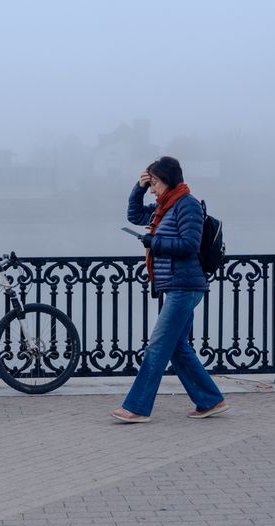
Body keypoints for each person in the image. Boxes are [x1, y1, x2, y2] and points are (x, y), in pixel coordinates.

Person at [112, 156, 228, 423]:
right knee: (178, 348)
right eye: (150, 185)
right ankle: (211, 400)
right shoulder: (166, 206)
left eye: (154, 184)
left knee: (157, 347)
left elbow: (189, 244)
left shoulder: (187, 206)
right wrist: (138, 188)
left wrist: (155, 242)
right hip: (176, 285)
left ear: (167, 179)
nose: (152, 189)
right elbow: (134, 214)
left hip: (185, 286)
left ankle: (137, 408)